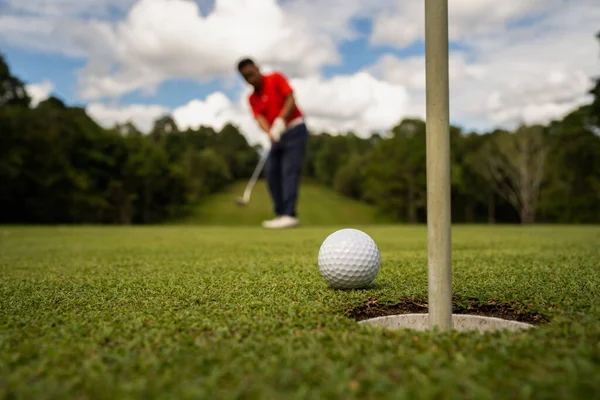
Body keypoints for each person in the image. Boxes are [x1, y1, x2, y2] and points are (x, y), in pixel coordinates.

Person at [237, 58, 309, 229]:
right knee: (271, 173)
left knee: (288, 171)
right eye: (246, 77)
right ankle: (281, 213)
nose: (250, 79)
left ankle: (289, 215)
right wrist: (270, 132)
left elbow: (290, 98)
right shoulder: (252, 98)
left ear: (257, 68)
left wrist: (280, 121)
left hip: (294, 130)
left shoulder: (275, 78)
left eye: (251, 74)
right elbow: (259, 118)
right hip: (276, 136)